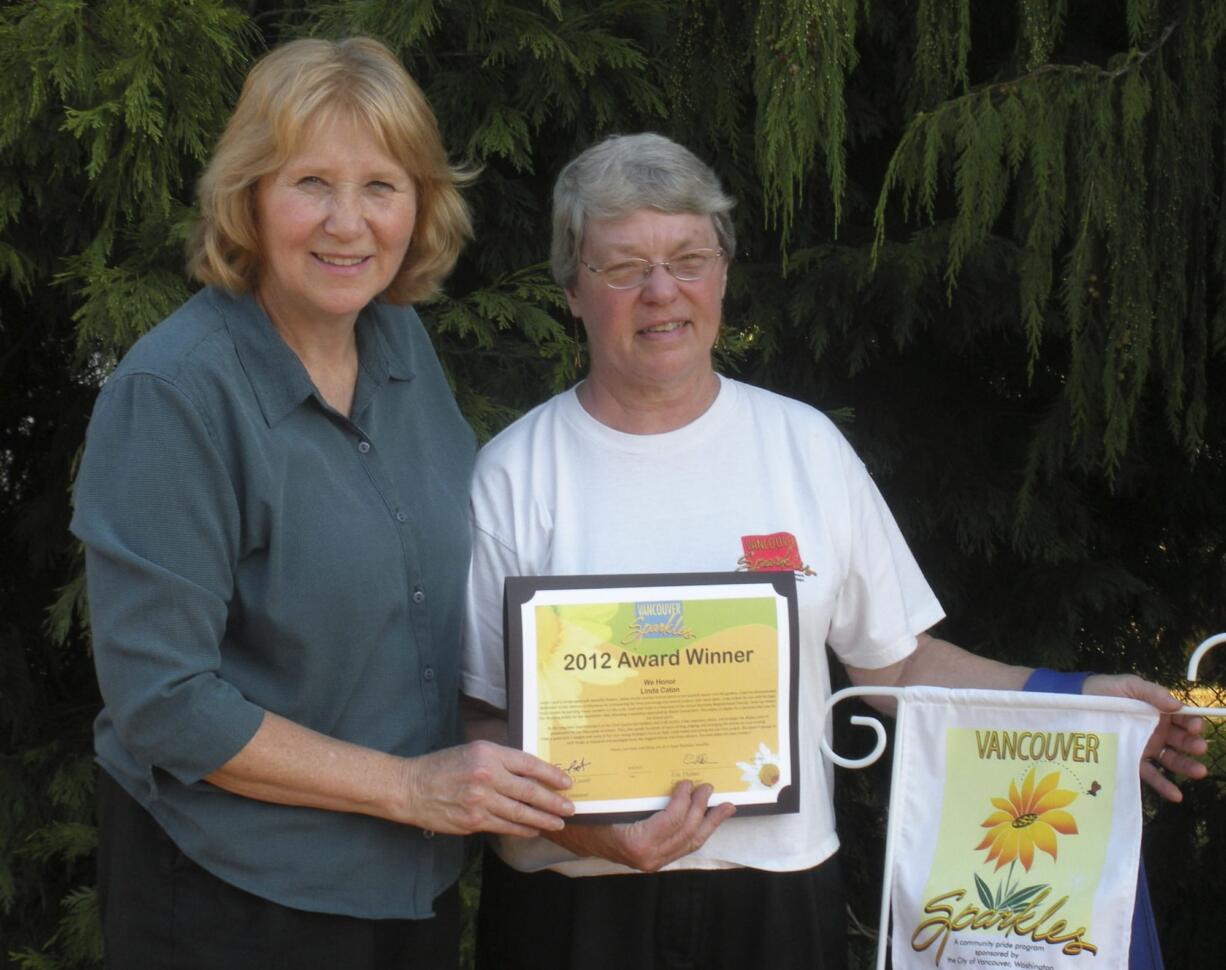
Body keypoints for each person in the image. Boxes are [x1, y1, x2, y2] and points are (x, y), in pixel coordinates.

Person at [459, 132, 1208, 970]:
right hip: (571, 903)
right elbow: (482, 717)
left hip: (777, 896)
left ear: (725, 272)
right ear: (571, 289)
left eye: (688, 257)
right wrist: (594, 830)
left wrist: (1084, 708)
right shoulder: (513, 474)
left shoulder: (804, 447)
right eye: (623, 266)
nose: (662, 291)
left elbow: (898, 670)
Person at [70, 37, 574, 970]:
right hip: (234, 896)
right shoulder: (174, 395)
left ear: (420, 203)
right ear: (249, 197)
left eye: (382, 185)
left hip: (407, 891)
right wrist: (409, 788)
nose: (350, 223)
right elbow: (166, 704)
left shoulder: (399, 342)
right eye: (312, 182)